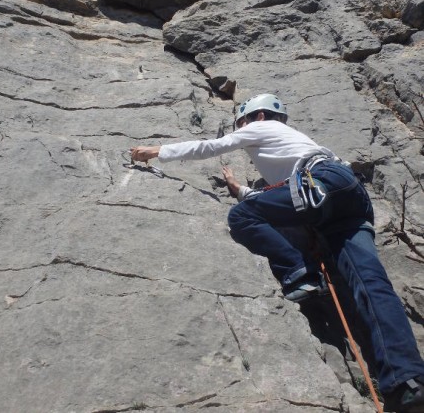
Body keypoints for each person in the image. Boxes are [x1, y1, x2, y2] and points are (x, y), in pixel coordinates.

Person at [130, 93, 424, 412]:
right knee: (372, 286)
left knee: (241, 217)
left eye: (242, 124)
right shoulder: (293, 142)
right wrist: (240, 190)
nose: (242, 133)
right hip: (349, 197)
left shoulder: (261, 126)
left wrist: (158, 151)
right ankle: (408, 383)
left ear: (257, 116)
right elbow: (286, 195)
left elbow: (211, 147)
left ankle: (301, 275)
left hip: (319, 183)